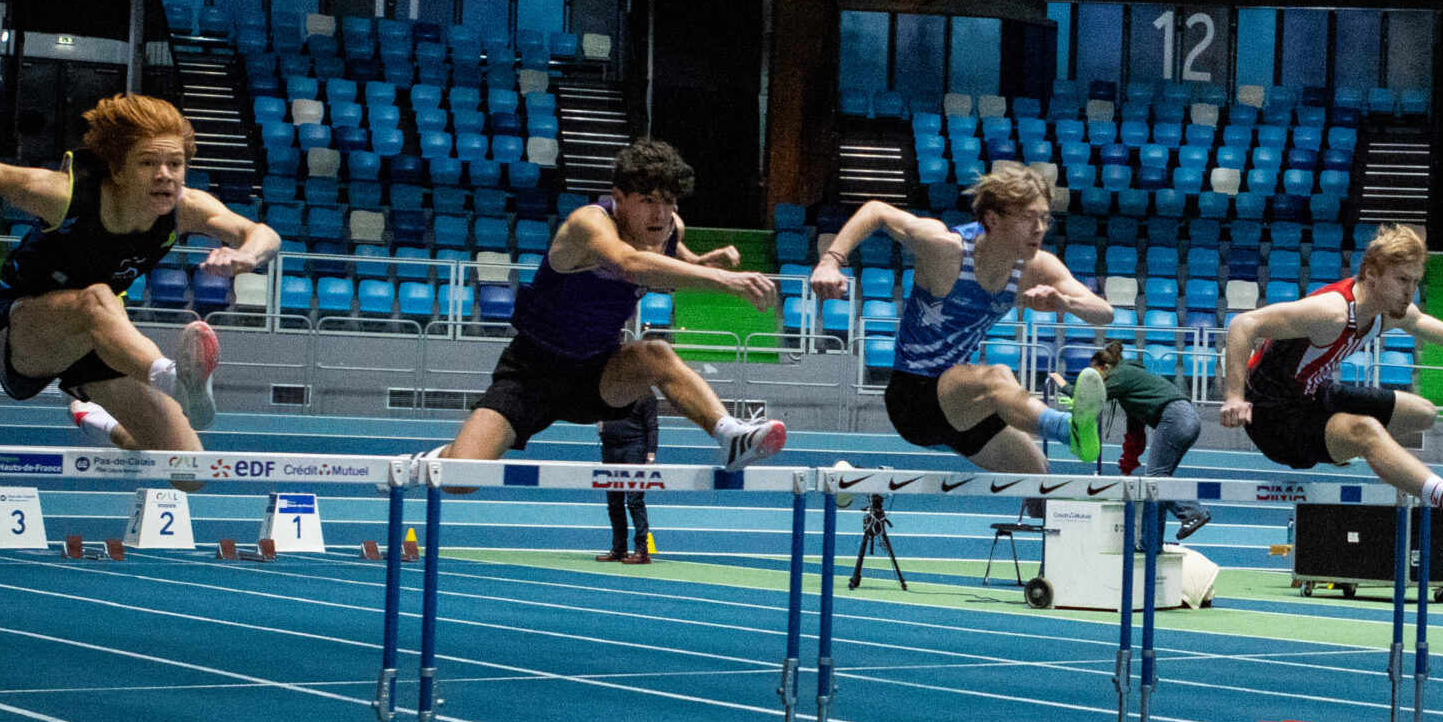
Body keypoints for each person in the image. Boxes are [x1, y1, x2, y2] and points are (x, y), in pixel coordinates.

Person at [432, 138, 786, 475]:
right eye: (647, 200)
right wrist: (725, 280)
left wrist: (699, 262)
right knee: (461, 476)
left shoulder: (669, 227)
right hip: (534, 370)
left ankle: (730, 436)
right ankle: (436, 457)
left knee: (656, 353)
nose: (660, 214)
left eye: (669, 202)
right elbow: (629, 263)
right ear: (618, 198)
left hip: (597, 372)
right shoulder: (588, 224)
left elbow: (668, 254)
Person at [0, 94, 279, 452]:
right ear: (117, 170)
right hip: (27, 330)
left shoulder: (185, 207)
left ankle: (98, 420)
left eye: (175, 164)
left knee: (186, 460)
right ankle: (174, 380)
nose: (165, 175)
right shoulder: (67, 196)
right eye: (148, 163)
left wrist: (246, 254)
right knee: (98, 298)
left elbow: (263, 233)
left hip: (101, 341)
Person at [810, 163, 1114, 473]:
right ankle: (1067, 428)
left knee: (1037, 473)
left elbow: (1104, 313)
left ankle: (850, 488)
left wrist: (1065, 302)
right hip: (913, 400)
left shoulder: (1036, 267)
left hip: (963, 405)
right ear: (992, 218)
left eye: (1044, 218)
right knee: (997, 376)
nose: (1039, 228)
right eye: (1027, 217)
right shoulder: (946, 250)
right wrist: (830, 261)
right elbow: (877, 211)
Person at [1220, 224, 1443, 525]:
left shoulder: (1389, 313)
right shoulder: (1332, 313)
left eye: (1415, 281)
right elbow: (1243, 324)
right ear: (1371, 273)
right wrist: (1234, 397)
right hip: (1272, 417)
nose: (1410, 291)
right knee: (1366, 431)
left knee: (1423, 413)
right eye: (1402, 280)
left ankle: (1347, 446)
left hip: (1314, 395)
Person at [1052, 339, 1211, 538]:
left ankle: (1193, 512)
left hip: (1176, 417)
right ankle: (1150, 542)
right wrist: (1126, 468)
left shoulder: (1120, 375)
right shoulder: (1131, 388)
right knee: (1157, 481)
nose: (1094, 382)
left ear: (1106, 367)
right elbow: (1135, 434)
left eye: (1095, 374)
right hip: (1186, 418)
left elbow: (1089, 397)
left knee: (1155, 479)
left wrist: (1063, 385)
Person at [596, 392, 659, 563]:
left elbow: (652, 426)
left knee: (634, 501)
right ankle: (619, 548)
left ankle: (642, 551)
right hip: (610, 448)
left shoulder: (646, 395)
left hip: (634, 448)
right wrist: (601, 426)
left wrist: (651, 455)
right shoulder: (610, 389)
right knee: (614, 501)